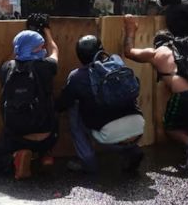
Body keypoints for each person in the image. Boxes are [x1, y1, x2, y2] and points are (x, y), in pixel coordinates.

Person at [122, 15, 188, 169]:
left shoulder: (158, 52)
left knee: (170, 127)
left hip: (187, 98)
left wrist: (130, 29)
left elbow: (129, 52)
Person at [55, 35, 145, 174]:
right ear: (101, 50)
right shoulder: (117, 63)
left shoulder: (77, 76)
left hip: (109, 135)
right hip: (138, 127)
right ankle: (131, 150)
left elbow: (62, 104)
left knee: (73, 109)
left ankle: (87, 162)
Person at [0, 25, 60, 179]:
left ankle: (15, 159)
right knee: (52, 109)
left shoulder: (7, 68)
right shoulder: (46, 66)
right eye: (40, 47)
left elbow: (9, 58)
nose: (43, 49)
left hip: (17, 137)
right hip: (48, 136)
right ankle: (45, 155)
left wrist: (19, 44)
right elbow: (55, 51)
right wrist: (47, 31)